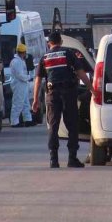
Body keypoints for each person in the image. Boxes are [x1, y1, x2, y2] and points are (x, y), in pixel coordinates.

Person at [32, 31, 91, 168]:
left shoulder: (44, 58)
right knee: (72, 126)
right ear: (61, 41)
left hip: (52, 94)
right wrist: (91, 88)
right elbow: (80, 73)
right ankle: (72, 158)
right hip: (68, 93)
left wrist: (35, 100)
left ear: (49, 43)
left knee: (53, 126)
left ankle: (54, 160)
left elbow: (38, 80)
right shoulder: (68, 53)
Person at [10, 43, 34, 128]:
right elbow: (20, 75)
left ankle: (28, 120)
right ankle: (14, 122)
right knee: (18, 103)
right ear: (22, 52)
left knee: (25, 103)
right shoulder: (16, 62)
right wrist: (29, 77)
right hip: (18, 84)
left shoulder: (20, 61)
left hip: (22, 84)